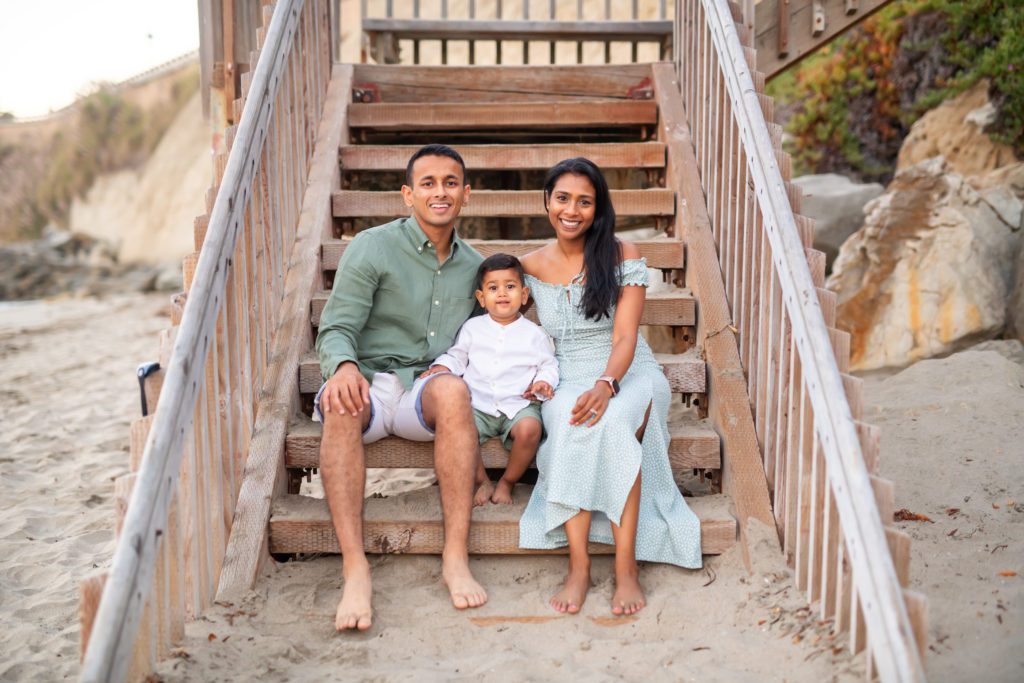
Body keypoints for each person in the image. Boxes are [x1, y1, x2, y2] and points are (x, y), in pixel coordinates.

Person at [518, 157, 703, 617]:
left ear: (598, 208)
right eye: (563, 199)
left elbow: (624, 337)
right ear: (547, 201)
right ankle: (579, 566)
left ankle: (626, 569)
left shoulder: (623, 254)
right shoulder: (529, 265)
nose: (572, 210)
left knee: (614, 422)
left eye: (585, 201)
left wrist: (606, 384)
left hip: (627, 370)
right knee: (570, 422)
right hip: (566, 374)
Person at [314, 144, 487, 632]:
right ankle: (356, 568)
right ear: (408, 195)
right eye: (428, 183)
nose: (440, 192)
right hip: (367, 381)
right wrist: (343, 367)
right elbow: (336, 327)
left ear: (466, 194)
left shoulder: (476, 267)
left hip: (423, 390)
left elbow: (484, 342)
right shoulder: (372, 246)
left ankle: (455, 557)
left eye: (450, 183)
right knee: (339, 403)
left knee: (453, 391)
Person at [423, 253, 559, 505]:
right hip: (478, 404)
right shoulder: (472, 328)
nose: (502, 293)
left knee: (531, 429)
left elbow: (548, 365)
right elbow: (457, 357)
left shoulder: (535, 334)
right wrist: (442, 366)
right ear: (481, 298)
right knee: (459, 430)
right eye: (493, 288)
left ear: (524, 295)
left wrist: (543, 382)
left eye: (510, 286)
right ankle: (482, 481)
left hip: (518, 404)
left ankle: (507, 482)